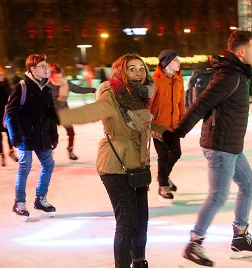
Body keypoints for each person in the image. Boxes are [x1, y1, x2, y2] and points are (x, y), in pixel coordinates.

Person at [162, 30, 252, 266]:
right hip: (220, 146)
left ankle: (240, 238)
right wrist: (178, 133)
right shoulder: (230, 76)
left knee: (248, 185)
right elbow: (202, 104)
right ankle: (194, 244)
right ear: (241, 52)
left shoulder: (238, 74)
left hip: (231, 145)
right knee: (218, 196)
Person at [58, 54, 166, 268]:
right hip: (115, 165)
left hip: (137, 164)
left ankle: (139, 262)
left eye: (141, 69)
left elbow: (143, 124)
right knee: (127, 223)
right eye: (132, 69)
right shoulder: (112, 94)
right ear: (121, 72)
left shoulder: (141, 97)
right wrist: (58, 117)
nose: (138, 73)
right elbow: (92, 112)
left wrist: (164, 131)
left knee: (141, 221)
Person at [5, 54, 59, 219]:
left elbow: (50, 114)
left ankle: (40, 199)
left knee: (49, 165)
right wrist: (15, 137)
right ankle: (19, 202)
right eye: (42, 66)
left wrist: (53, 134)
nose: (46, 69)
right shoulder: (21, 88)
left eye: (46, 65)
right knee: (24, 168)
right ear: (32, 69)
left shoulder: (47, 88)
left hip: (42, 136)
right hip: (25, 137)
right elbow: (10, 114)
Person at [150, 50, 185, 201]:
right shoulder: (155, 80)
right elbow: (147, 104)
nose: (179, 62)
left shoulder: (179, 79)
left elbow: (181, 103)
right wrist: (149, 125)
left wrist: (183, 122)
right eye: (176, 60)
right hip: (158, 125)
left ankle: (163, 177)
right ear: (167, 62)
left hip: (173, 125)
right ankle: (163, 185)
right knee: (163, 155)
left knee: (176, 153)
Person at [48, 63, 96, 160]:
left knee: (71, 133)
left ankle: (70, 151)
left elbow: (78, 89)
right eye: (56, 77)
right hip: (51, 113)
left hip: (64, 112)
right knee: (51, 135)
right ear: (52, 76)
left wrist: (92, 90)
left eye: (60, 77)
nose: (59, 80)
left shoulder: (66, 83)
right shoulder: (46, 85)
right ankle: (49, 150)